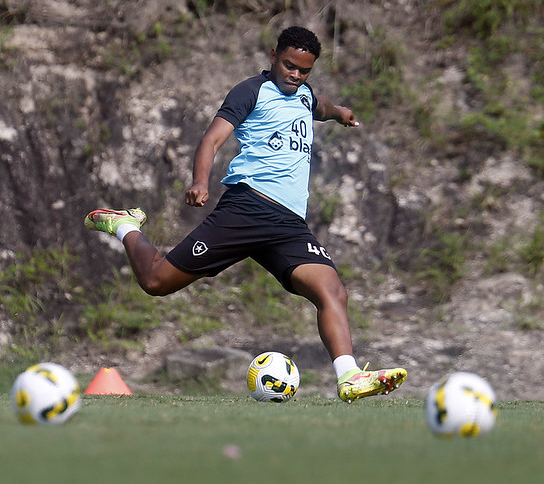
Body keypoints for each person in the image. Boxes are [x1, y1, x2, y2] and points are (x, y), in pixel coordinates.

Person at [84, 26, 406, 403]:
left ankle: (349, 376)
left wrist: (340, 114)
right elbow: (213, 138)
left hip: (288, 225)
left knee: (332, 290)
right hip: (247, 209)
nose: (296, 75)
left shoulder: (304, 95)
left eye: (304, 70)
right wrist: (200, 181)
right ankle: (125, 225)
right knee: (156, 281)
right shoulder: (251, 91)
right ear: (273, 56)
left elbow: (322, 106)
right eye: (289, 65)